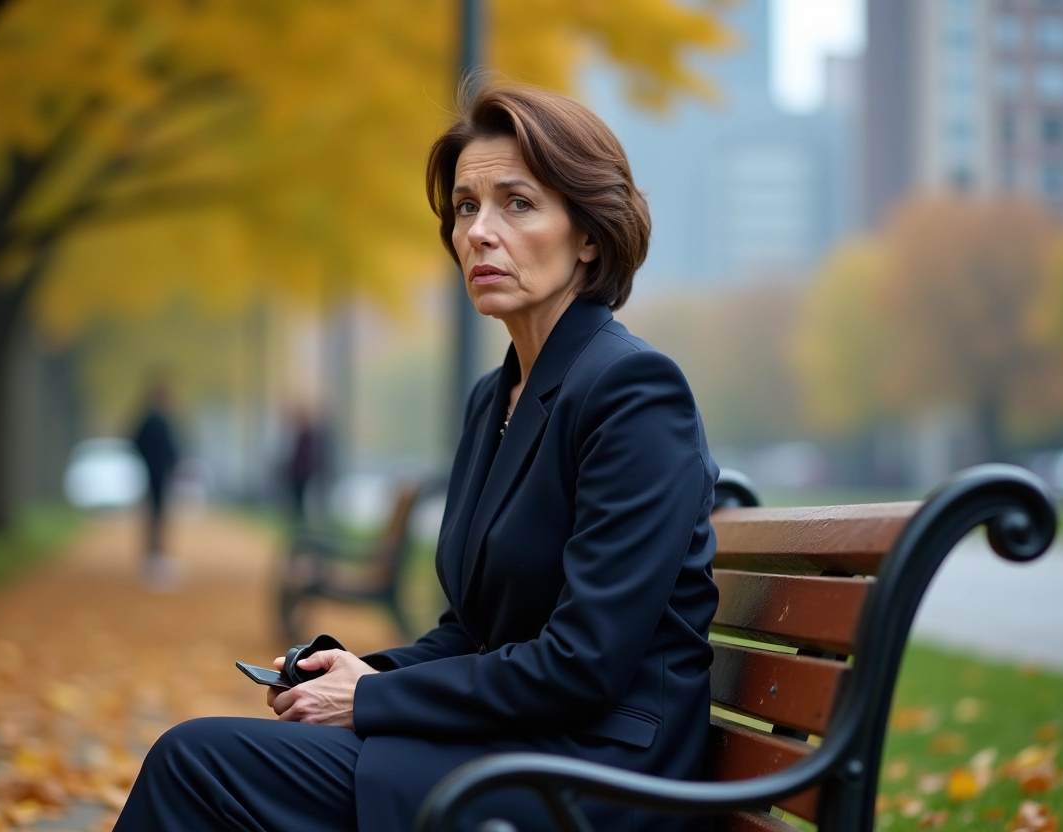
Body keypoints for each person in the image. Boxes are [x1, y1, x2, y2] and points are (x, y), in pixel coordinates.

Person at [114, 83, 720, 832]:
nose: (479, 232)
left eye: (517, 204)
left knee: (195, 761)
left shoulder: (633, 392)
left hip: (596, 775)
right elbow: (471, 632)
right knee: (207, 761)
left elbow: (583, 663)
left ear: (589, 235)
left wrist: (369, 700)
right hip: (513, 746)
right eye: (466, 207)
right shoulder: (495, 398)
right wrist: (358, 672)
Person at [131, 378, 180, 590]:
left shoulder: (152, 419)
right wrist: (156, 461)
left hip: (154, 474)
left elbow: (136, 442)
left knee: (155, 515)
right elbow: (166, 448)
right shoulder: (155, 420)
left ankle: (154, 557)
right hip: (156, 474)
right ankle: (155, 559)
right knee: (156, 516)